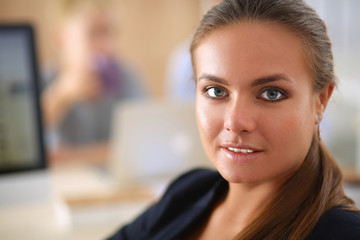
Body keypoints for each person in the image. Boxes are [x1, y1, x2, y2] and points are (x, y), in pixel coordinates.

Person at [107, 0, 360, 239]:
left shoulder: (344, 233)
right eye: (216, 91)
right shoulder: (190, 191)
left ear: (321, 101)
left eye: (271, 94)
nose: (236, 122)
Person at [42, 0, 146, 163]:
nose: (107, 45)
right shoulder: (42, 81)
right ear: (61, 38)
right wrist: (61, 95)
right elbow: (26, 143)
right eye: (94, 33)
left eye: (111, 33)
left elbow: (143, 144)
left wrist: (69, 158)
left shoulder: (126, 76)